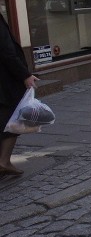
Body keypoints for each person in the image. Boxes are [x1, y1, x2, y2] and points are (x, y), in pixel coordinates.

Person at [0, 13, 39, 176]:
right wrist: (25, 75)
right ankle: (4, 161)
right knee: (13, 118)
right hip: (4, 81)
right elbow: (7, 52)